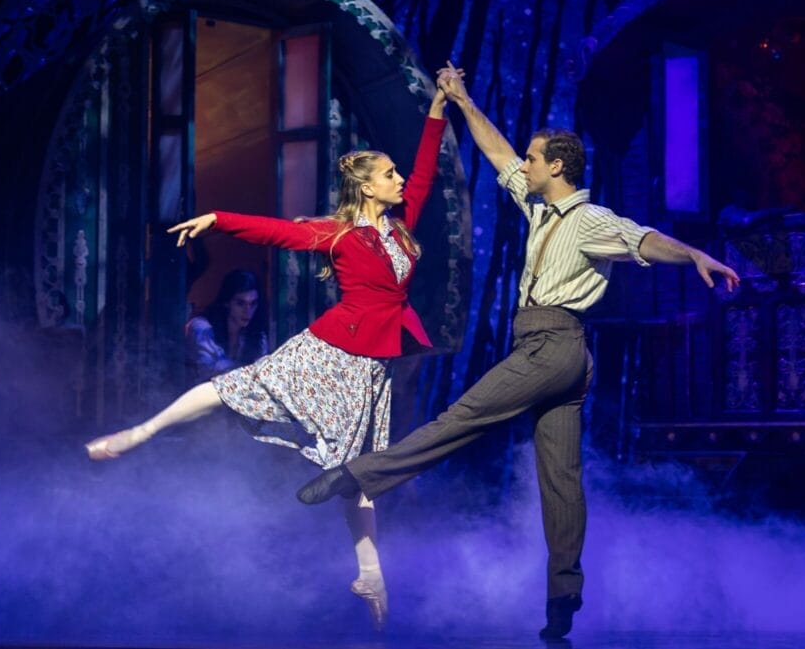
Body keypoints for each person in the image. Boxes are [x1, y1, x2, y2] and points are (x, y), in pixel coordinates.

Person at [297, 63, 740, 640]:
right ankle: (564, 595)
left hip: (553, 345)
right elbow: (499, 152)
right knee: (561, 478)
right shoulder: (538, 207)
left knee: (464, 417)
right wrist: (461, 101)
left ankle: (356, 476)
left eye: (533, 160)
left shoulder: (590, 219)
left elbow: (643, 239)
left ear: (556, 167)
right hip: (559, 353)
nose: (522, 166)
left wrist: (695, 255)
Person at [85, 86, 451, 631]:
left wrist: (438, 109)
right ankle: (142, 431)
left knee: (357, 471)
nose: (399, 180)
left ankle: (370, 574)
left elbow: (423, 176)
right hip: (330, 350)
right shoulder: (338, 233)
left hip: (372, 367)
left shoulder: (399, 228)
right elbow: (279, 232)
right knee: (234, 388)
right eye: (389, 174)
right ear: (367, 186)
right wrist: (218, 219)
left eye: (397, 173)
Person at [185, 269, 269, 382]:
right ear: (227, 302)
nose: (248, 311)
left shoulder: (258, 337)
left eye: (253, 303)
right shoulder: (202, 328)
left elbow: (262, 376)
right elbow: (208, 371)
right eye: (240, 303)